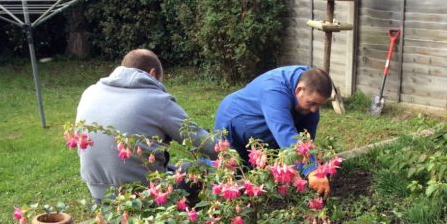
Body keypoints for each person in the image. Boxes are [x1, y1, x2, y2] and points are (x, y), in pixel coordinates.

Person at [75, 49, 216, 203]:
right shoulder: (157, 100)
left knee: (174, 168)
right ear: (153, 74)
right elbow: (205, 144)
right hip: (144, 196)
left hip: (99, 194)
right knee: (204, 167)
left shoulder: (89, 93)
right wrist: (231, 155)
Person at [214, 65, 332, 195]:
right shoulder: (275, 92)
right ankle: (199, 169)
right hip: (234, 121)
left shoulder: (311, 81)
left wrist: (311, 156)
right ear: (299, 90)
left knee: (266, 173)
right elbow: (284, 131)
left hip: (261, 124)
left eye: (319, 105)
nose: (315, 109)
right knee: (235, 173)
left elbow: (307, 132)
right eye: (312, 103)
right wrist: (311, 169)